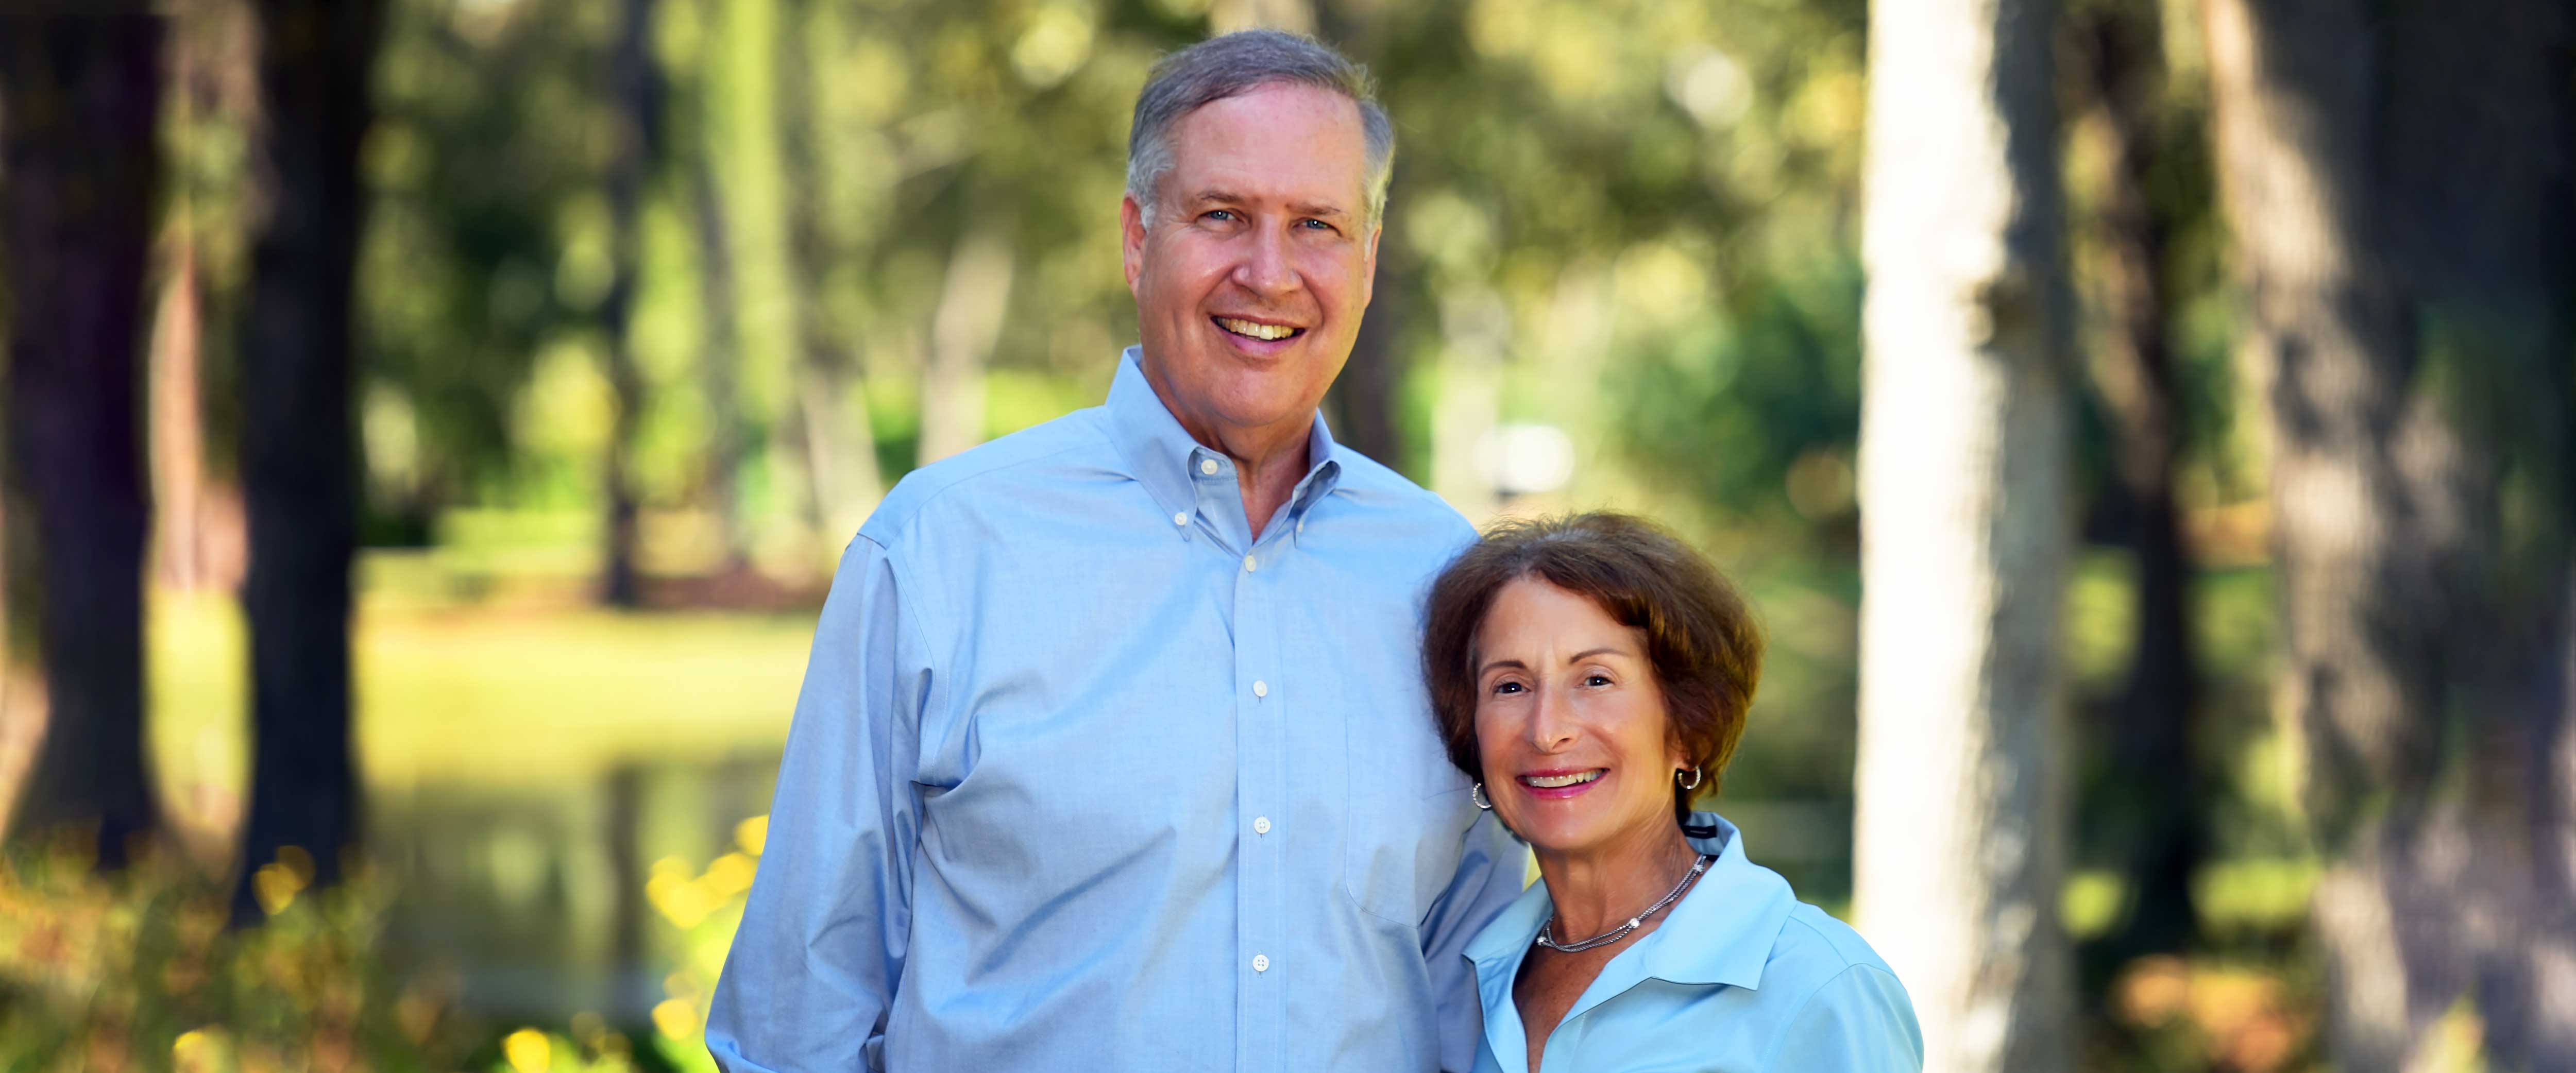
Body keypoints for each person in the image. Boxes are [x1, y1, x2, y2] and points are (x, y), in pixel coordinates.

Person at [704, 29, 1524, 1073]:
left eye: (1315, 225)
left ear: (1365, 261)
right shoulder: (942, 552)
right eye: (1222, 215)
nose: (1268, 274)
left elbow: (1480, 990)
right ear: (1139, 240)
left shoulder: (1443, 577)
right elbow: (796, 1021)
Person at [1420, 513, 1924, 1072]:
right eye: (1509, 685)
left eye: (1595, 679)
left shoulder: (1818, 985)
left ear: (1686, 726)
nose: (1546, 729)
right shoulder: (1468, 981)